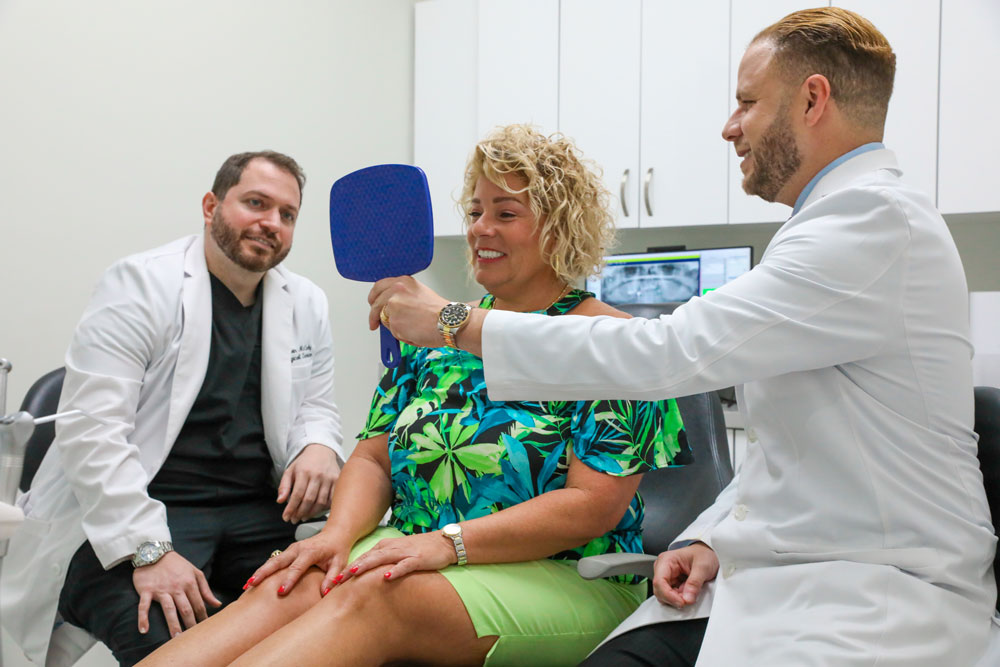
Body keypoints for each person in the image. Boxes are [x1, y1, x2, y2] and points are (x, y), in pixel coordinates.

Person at [369, 8, 997, 666]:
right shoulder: (831, 227)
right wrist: (714, 539)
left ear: (813, 99)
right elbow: (796, 458)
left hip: (876, 598)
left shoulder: (871, 223)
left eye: (747, 103)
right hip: (785, 583)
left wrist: (453, 322)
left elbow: (665, 353)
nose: (730, 127)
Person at [136, 124, 688, 667]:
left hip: (567, 574)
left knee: (378, 593)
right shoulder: (438, 334)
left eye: (506, 213)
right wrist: (337, 535)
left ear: (560, 228)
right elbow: (374, 457)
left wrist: (449, 544)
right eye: (475, 212)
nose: (480, 230)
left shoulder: (614, 346)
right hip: (418, 548)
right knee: (296, 578)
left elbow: (590, 507)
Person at [0, 151, 345, 666]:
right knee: (171, 641)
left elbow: (317, 404)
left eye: (287, 214)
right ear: (211, 206)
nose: (270, 222)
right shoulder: (140, 285)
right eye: (255, 203)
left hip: (255, 516)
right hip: (141, 510)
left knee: (331, 622)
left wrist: (319, 445)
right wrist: (149, 551)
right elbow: (92, 431)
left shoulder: (306, 302)